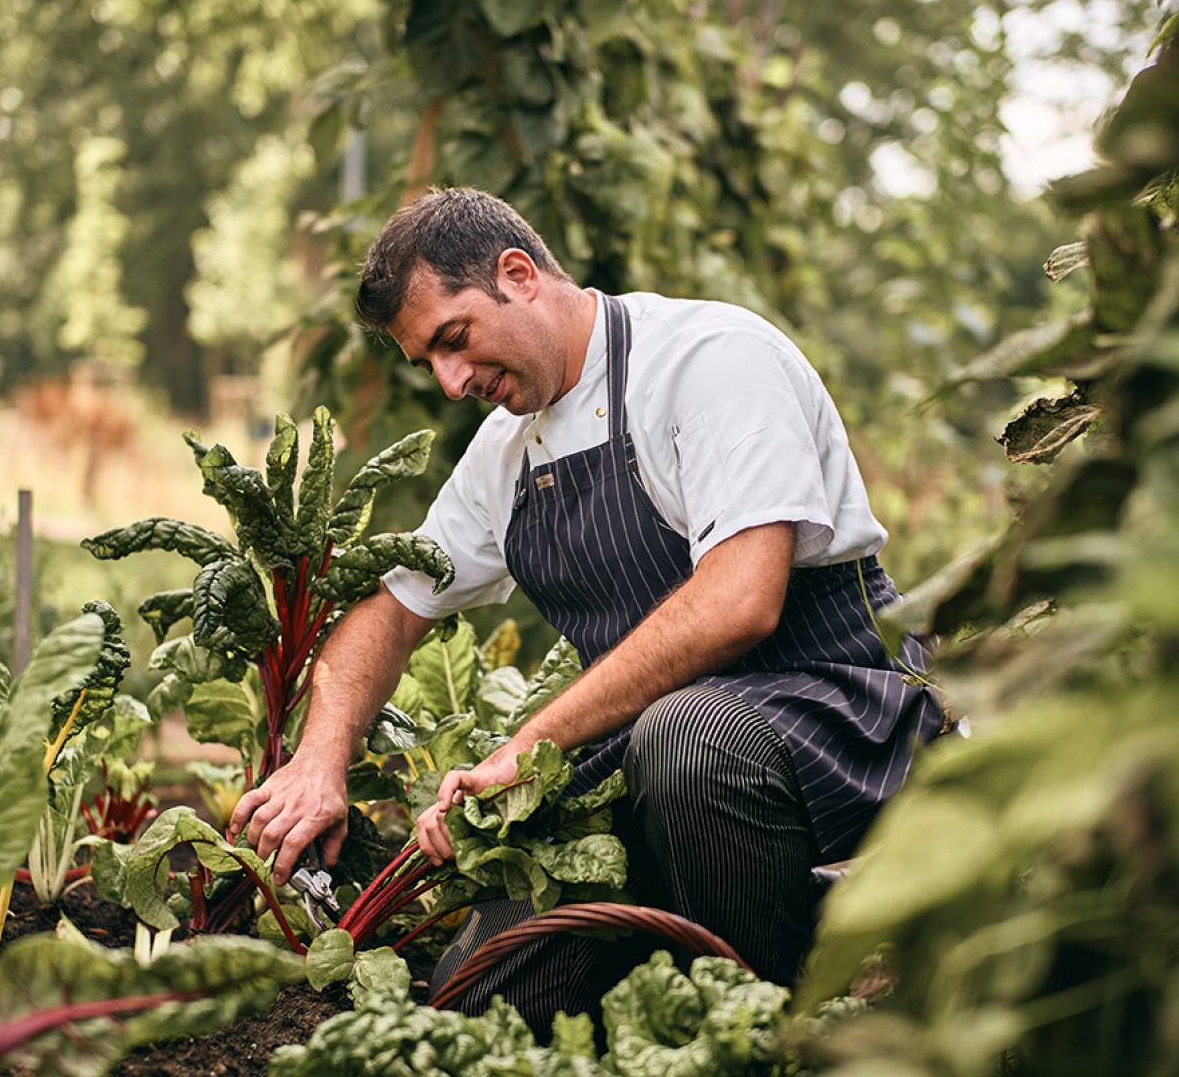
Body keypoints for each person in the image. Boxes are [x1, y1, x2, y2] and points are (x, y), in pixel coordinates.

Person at [232, 187, 941, 1027]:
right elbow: (390, 607)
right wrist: (319, 761)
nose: (453, 381)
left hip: (836, 713)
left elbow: (739, 602)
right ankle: (668, 961)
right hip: (643, 764)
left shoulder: (708, 360)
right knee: (485, 1000)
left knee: (691, 738)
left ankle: (774, 1017)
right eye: (430, 364)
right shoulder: (503, 453)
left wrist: (522, 748)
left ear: (519, 274)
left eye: (454, 340)